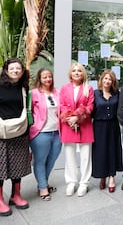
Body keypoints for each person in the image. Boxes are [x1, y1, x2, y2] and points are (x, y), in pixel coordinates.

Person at [0, 58, 31, 216]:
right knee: (1, 167)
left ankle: (16, 195)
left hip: (19, 131)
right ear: (6, 70)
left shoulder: (23, 87)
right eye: (12, 68)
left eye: (18, 68)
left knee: (18, 165)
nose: (15, 71)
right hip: (1, 133)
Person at [59, 63, 94, 197]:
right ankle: (71, 181)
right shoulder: (64, 88)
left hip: (84, 124)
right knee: (69, 155)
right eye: (74, 71)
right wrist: (69, 117)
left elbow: (90, 106)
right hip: (68, 125)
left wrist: (78, 116)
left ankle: (84, 183)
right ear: (70, 74)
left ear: (83, 73)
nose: (77, 73)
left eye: (79, 71)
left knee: (86, 156)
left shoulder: (88, 88)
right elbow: (61, 105)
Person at [29, 68, 62, 201]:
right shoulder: (34, 93)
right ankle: (43, 187)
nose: (48, 79)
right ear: (39, 79)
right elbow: (29, 111)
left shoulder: (57, 92)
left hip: (57, 132)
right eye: (44, 77)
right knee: (40, 161)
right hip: (41, 132)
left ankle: (43, 183)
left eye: (49, 76)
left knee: (52, 159)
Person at [92, 70, 123, 193]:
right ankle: (102, 176)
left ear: (113, 81)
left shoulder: (117, 94)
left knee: (112, 151)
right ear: (101, 80)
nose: (107, 81)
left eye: (110, 79)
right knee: (100, 152)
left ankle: (111, 177)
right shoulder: (95, 94)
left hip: (113, 126)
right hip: (99, 127)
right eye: (105, 78)